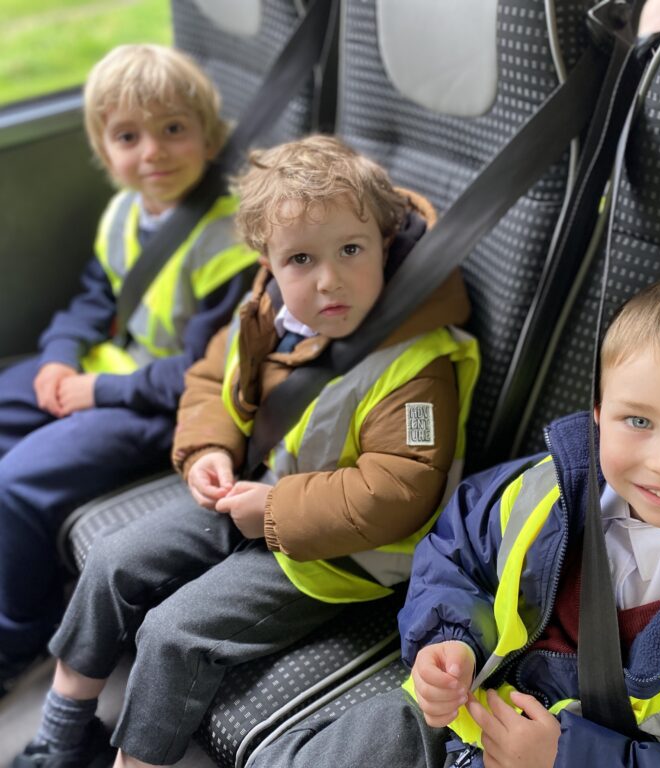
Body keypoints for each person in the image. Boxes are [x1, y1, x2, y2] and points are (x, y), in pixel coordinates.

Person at [11, 135, 480, 768]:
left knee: (174, 632)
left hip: (344, 554)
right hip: (253, 492)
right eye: (301, 260)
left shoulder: (420, 363)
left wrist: (279, 507)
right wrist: (209, 447)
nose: (329, 279)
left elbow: (402, 487)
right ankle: (62, 736)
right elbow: (212, 382)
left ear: (386, 243)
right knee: (116, 563)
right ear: (269, 261)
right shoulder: (266, 315)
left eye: (351, 250)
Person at [244, 268, 660, 768]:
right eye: (637, 420)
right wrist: (449, 638)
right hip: (465, 705)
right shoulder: (545, 489)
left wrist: (564, 759)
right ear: (598, 415)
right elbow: (456, 552)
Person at [0, 43, 259, 697]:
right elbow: (95, 297)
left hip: (162, 406)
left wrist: (95, 390)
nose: (153, 152)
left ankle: (17, 632)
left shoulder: (225, 241)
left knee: (17, 482)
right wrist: (60, 358)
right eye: (128, 136)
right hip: (107, 371)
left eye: (174, 129)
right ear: (104, 146)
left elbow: (206, 372)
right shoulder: (127, 213)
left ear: (207, 133)